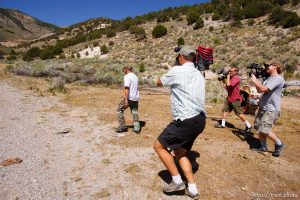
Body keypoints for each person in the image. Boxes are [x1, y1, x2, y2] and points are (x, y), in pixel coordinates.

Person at [153, 46, 206, 200]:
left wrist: (166, 70)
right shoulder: (199, 74)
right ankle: (193, 189)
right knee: (180, 152)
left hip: (186, 120)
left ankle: (177, 181)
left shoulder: (177, 70)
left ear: (181, 56)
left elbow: (159, 82)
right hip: (200, 119)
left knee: (158, 146)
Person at [250, 60, 285, 157]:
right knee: (258, 127)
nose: (266, 68)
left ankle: (279, 143)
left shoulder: (278, 78)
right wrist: (255, 81)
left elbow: (263, 89)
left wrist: (255, 81)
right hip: (262, 107)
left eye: (268, 66)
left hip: (271, 109)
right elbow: (259, 90)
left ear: (275, 67)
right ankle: (263, 147)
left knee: (264, 129)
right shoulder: (268, 78)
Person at [215, 66, 252, 132]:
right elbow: (227, 87)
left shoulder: (236, 78)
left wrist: (228, 77)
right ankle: (223, 125)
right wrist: (223, 80)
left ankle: (249, 126)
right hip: (229, 98)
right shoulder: (231, 78)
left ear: (236, 72)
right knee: (224, 110)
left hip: (235, 99)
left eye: (231, 71)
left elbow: (229, 85)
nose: (230, 72)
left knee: (238, 113)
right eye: (229, 71)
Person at [115, 66, 140, 133]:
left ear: (126, 69)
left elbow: (126, 88)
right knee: (134, 112)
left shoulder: (127, 76)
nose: (123, 71)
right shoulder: (135, 76)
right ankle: (137, 128)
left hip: (129, 97)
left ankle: (123, 127)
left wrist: (126, 100)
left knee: (119, 110)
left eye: (123, 70)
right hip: (135, 97)